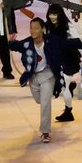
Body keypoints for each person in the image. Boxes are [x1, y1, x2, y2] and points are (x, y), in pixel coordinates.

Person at [18, 10, 56, 142]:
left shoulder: (50, 42)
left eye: (36, 28)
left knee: (45, 103)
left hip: (48, 75)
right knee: (39, 100)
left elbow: (65, 45)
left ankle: (45, 132)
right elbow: (13, 45)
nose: (32, 31)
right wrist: (8, 41)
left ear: (42, 29)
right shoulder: (27, 43)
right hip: (33, 77)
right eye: (31, 28)